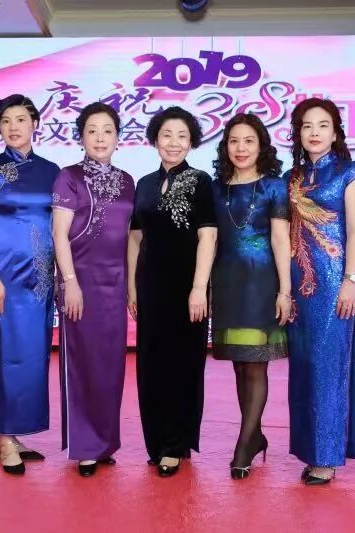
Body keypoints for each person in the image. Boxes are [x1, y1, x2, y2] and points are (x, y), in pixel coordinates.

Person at [0, 95, 60, 475]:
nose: (13, 127)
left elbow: (60, 226)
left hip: (40, 278)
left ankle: (16, 433)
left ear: (34, 123)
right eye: (6, 121)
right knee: (4, 352)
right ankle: (5, 436)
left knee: (34, 356)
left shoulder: (52, 171)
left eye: (21, 119)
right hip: (2, 275)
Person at [128, 106, 217, 477]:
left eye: (182, 136)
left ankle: (176, 444)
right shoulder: (144, 183)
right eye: (167, 135)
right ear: (155, 139)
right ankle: (157, 442)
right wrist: (131, 287)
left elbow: (208, 236)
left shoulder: (201, 181)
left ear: (191, 141)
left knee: (184, 365)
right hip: (150, 287)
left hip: (186, 289)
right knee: (151, 365)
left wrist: (199, 288)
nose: (174, 142)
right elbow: (135, 238)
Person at [285, 97, 355, 485]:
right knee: (303, 366)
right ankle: (310, 449)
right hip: (300, 284)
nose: (314, 132)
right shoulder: (294, 176)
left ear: (335, 133)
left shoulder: (350, 172)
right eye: (307, 126)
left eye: (322, 125)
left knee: (328, 366)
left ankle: (327, 456)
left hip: (335, 285)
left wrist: (350, 281)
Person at [51, 102, 135, 477]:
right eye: (92, 131)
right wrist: (69, 282)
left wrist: (131, 286)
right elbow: (59, 235)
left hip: (115, 284)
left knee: (111, 365)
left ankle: (105, 442)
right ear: (81, 137)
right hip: (80, 282)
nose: (100, 138)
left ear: (118, 137)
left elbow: (130, 238)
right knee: (82, 362)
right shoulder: (68, 177)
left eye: (107, 131)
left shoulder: (128, 180)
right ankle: (85, 446)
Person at [210, 113, 292, 479]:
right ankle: (255, 435)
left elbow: (280, 240)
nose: (241, 148)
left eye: (248, 141)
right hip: (226, 283)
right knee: (240, 364)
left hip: (262, 283)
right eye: (234, 141)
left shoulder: (275, 186)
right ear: (225, 146)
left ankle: (244, 444)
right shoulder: (216, 188)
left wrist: (285, 291)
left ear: (261, 146)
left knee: (256, 364)